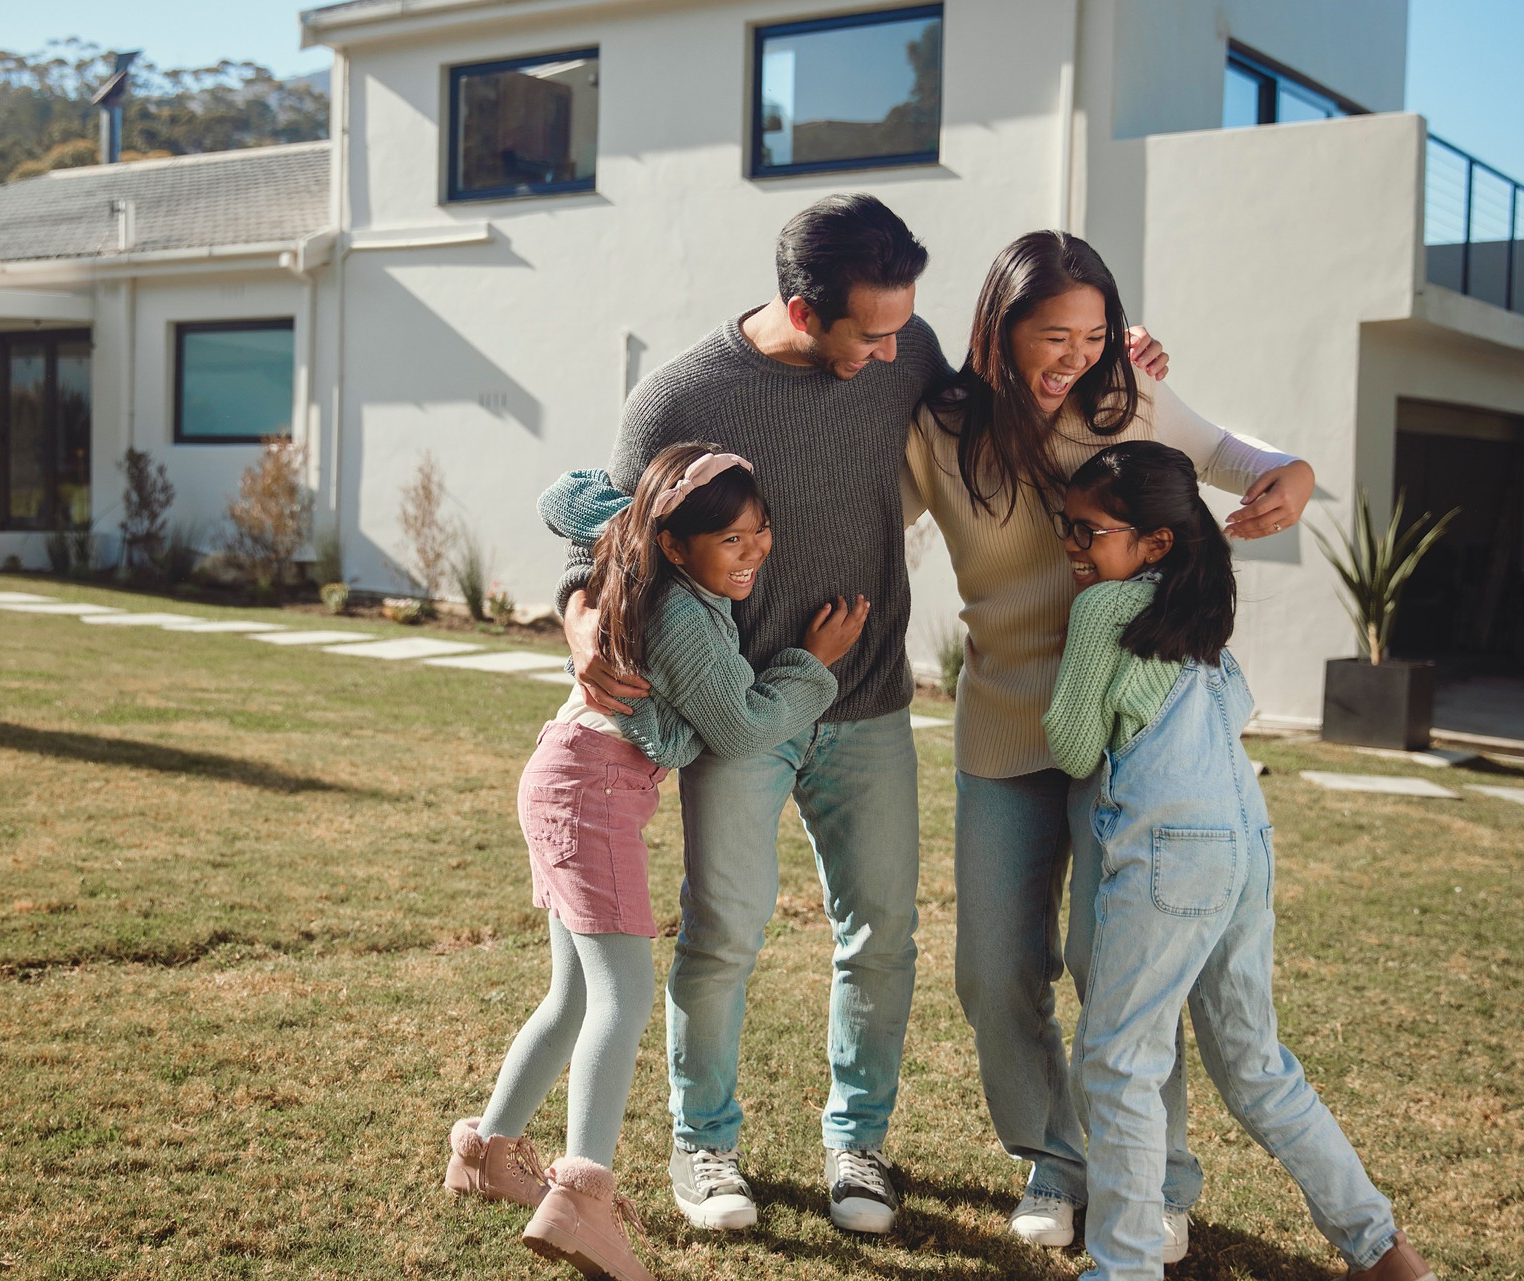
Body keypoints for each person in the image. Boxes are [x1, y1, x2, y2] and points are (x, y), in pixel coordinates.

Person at [552, 197, 1169, 1236]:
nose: (894, 353)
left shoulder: (911, 344)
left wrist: (1120, 360)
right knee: (725, 933)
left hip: (870, 695)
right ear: (802, 307)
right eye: (871, 335)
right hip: (736, 709)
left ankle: (859, 1143)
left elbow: (1015, 393)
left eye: (903, 330)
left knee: (882, 936)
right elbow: (600, 539)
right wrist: (579, 624)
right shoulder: (680, 398)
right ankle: (704, 1143)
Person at [900, 229, 1309, 1259]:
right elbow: (854, 516)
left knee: (1116, 967)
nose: (1074, 359)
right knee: (995, 972)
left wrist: (1288, 482)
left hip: (1125, 735)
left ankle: (1157, 1179)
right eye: (1053, 338)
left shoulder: (1131, 401)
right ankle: (1057, 1158)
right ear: (1000, 330)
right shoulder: (940, 433)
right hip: (1003, 728)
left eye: (1092, 337)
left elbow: (1249, 462)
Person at [446, 443, 867, 1281]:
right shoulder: (680, 609)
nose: (753, 555)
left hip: (571, 774)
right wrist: (811, 669)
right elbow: (745, 725)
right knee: (622, 992)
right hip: (590, 792)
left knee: (572, 993)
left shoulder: (645, 542)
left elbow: (568, 499)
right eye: (731, 541)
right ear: (676, 544)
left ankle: (488, 1152)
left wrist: (647, 501)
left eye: (761, 534)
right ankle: (581, 1198)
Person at [1044, 440, 1436, 1281]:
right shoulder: (1201, 614)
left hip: (1166, 855)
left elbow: (1074, 747)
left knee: (1117, 1062)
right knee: (1258, 1067)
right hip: (1244, 847)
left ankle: (1123, 1268)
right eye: (1066, 527)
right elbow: (1240, 707)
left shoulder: (1104, 612)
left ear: (1154, 542)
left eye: (1088, 532)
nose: (1072, 548)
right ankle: (1384, 1251)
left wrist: (1085, 694)